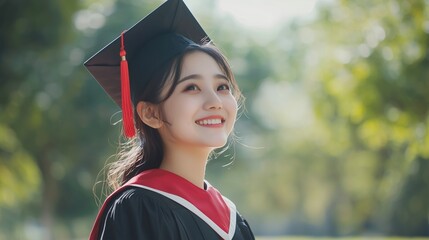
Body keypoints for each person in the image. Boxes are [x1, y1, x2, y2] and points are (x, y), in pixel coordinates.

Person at [84, 0, 255, 239]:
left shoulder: (234, 220)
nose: (215, 100)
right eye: (192, 87)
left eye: (222, 86)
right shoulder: (139, 207)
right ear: (151, 114)